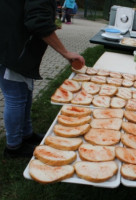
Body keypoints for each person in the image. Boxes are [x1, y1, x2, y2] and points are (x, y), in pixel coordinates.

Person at [0, 0, 85, 158]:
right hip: (11, 48)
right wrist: (65, 53)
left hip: (17, 46)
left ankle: (26, 134)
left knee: (25, 93)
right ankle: (13, 147)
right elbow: (38, 22)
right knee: (16, 97)